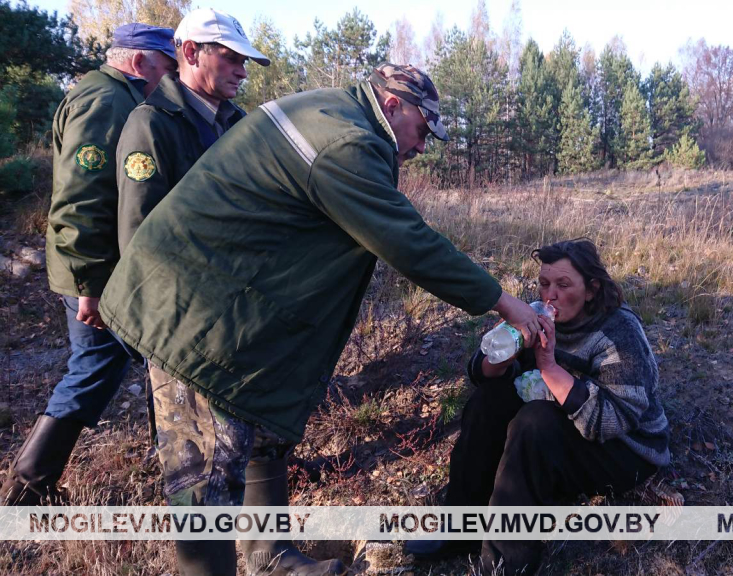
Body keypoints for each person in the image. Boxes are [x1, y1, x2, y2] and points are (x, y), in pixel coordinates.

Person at [97, 63, 542, 575]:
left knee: (259, 431)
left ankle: (270, 555)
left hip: (231, 302)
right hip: (196, 316)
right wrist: (505, 301)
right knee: (206, 478)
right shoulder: (344, 142)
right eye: (423, 131)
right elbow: (407, 242)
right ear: (392, 105)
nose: (423, 147)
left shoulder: (332, 110)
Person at [408, 239, 671, 575]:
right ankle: (461, 527)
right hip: (565, 430)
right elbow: (479, 373)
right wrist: (506, 352)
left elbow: (610, 421)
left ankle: (506, 565)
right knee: (487, 401)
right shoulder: (537, 312)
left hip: (627, 450)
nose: (551, 295)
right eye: (544, 283)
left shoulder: (619, 331)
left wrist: (548, 364)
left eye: (563, 285)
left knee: (535, 423)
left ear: (591, 290)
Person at [0, 24, 177, 507]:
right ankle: (28, 488)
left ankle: (31, 484)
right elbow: (82, 201)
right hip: (95, 272)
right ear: (140, 63)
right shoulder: (107, 102)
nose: (169, 79)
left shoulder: (108, 94)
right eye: (165, 67)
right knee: (106, 364)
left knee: (104, 364)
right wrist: (90, 284)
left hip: (98, 268)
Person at [116, 8, 259, 252]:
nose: (242, 72)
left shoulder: (238, 122)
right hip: (181, 284)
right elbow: (138, 237)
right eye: (231, 58)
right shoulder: (151, 124)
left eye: (243, 62)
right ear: (191, 52)